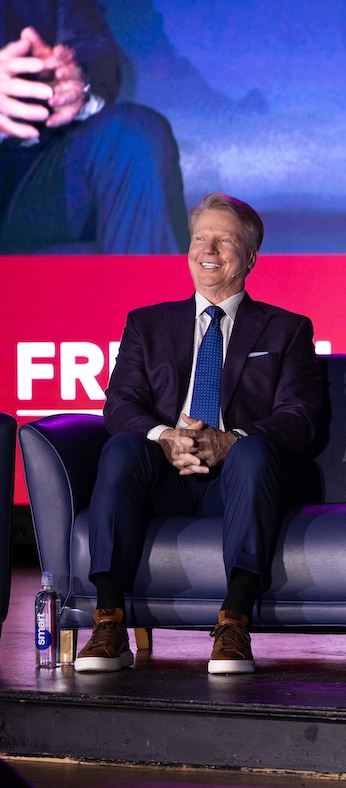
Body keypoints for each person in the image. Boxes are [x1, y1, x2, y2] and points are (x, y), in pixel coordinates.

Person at [75, 193, 322, 674]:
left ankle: (234, 621)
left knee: (252, 453)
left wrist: (229, 441)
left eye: (223, 240)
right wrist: (166, 436)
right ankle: (108, 621)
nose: (207, 249)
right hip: (161, 478)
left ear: (249, 256)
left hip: (237, 482)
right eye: (199, 238)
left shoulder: (287, 330)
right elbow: (119, 404)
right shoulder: (147, 324)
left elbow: (300, 416)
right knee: (123, 447)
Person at [0, 1, 188, 254]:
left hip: (31, 176)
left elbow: (90, 45)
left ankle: (148, 292)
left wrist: (74, 80)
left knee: (134, 139)